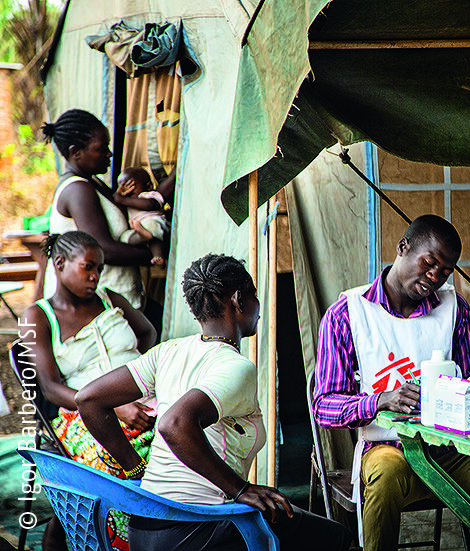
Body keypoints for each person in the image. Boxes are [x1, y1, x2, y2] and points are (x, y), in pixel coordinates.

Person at [313, 214, 470, 551]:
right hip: (390, 452)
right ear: (403, 248)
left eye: (445, 271)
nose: (434, 276)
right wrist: (380, 400)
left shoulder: (454, 309)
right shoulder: (348, 314)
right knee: (385, 473)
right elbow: (323, 407)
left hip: (452, 455)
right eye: (429, 263)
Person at [75, 253, 351, 551]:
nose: (258, 306)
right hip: (198, 529)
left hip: (145, 528)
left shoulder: (169, 352)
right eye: (254, 295)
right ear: (238, 300)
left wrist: (136, 469)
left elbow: (88, 399)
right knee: (336, 539)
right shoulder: (235, 367)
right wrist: (240, 489)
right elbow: (175, 424)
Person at [22, 231, 157, 551]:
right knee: (112, 464)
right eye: (88, 267)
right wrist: (111, 404)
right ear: (59, 264)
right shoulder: (39, 316)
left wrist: (134, 379)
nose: (96, 276)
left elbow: (147, 332)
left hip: (142, 399)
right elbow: (51, 388)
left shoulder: (111, 299)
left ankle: (176, 530)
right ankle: (119, 541)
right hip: (81, 412)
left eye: (100, 269)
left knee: (182, 432)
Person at [41, 109, 154, 308]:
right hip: (100, 304)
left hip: (114, 297)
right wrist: (153, 254)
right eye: (102, 148)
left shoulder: (93, 182)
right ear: (75, 152)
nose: (109, 153)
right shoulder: (78, 190)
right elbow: (103, 249)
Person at [113, 166, 170, 267]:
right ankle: (143, 236)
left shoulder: (148, 195)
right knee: (124, 238)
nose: (128, 190)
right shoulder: (126, 201)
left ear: (148, 186)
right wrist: (118, 196)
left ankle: (159, 258)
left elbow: (151, 205)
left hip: (154, 222)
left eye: (132, 186)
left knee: (153, 231)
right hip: (139, 230)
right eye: (124, 186)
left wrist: (122, 200)